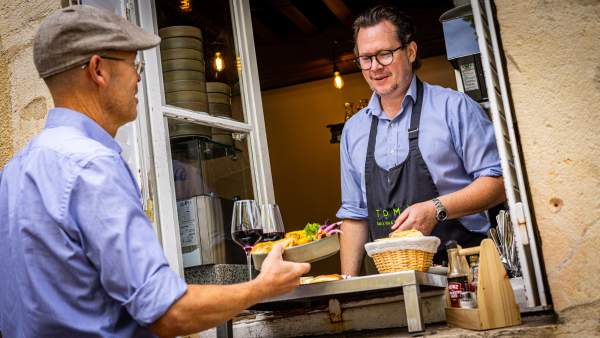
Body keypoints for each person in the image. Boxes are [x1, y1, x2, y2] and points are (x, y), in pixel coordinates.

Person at [0, 5, 309, 337]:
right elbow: (167, 312)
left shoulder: (14, 172)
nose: (138, 77)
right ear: (98, 70)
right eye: (134, 64)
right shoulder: (93, 166)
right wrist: (263, 286)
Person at [336, 5, 506, 276]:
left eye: (385, 54)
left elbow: (499, 184)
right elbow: (355, 215)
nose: (375, 67)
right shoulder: (353, 131)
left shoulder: (455, 107)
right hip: (394, 280)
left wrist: (436, 208)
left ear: (411, 51)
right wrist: (347, 286)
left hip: (464, 271)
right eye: (366, 58)